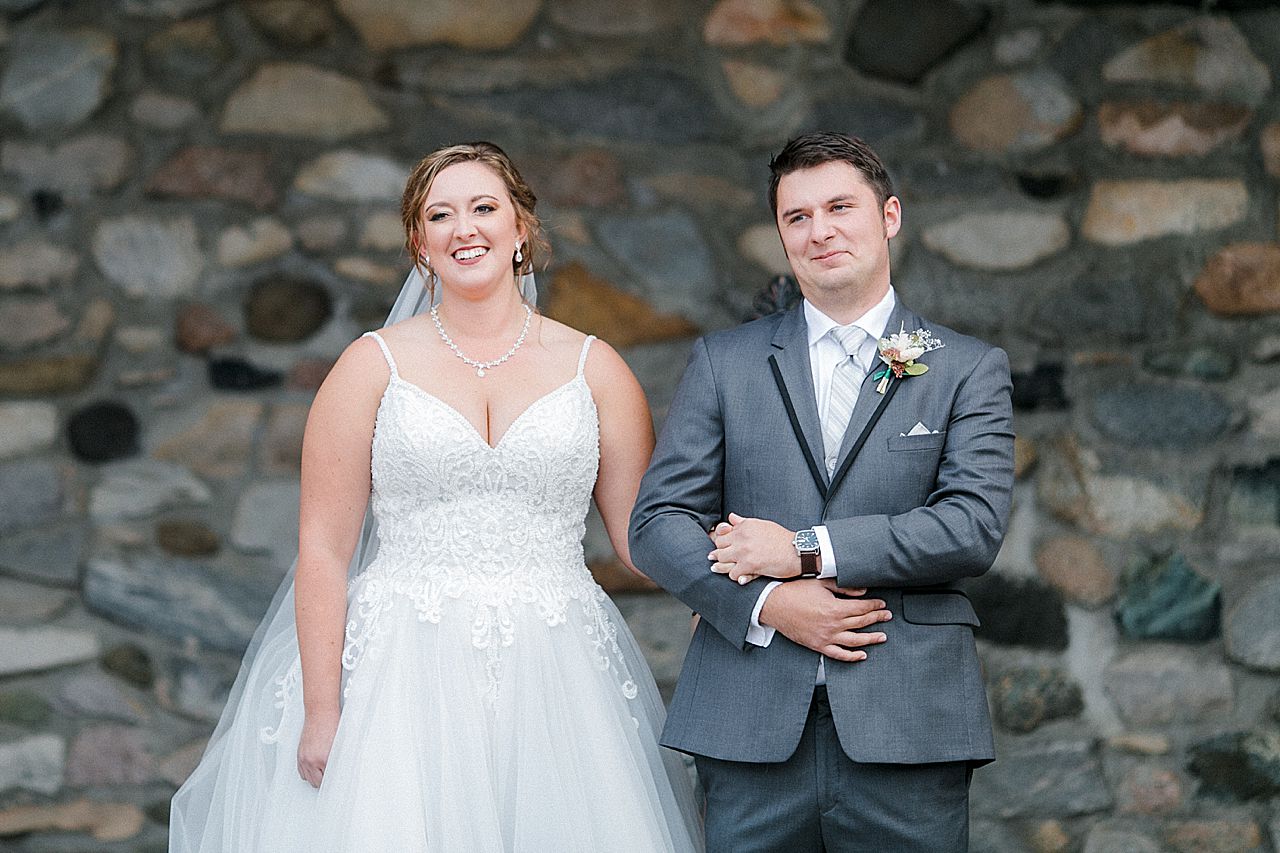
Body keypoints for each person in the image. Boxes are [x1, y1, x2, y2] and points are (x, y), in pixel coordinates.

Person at [171, 141, 702, 852]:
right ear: (420, 243)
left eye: (485, 207)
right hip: (398, 672)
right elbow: (323, 550)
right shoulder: (370, 365)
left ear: (522, 229)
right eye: (440, 215)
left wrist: (724, 588)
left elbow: (644, 541)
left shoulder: (595, 368)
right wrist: (324, 708)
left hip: (557, 669)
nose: (466, 228)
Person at [629, 131, 1015, 852]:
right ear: (780, 234)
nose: (820, 230)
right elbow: (658, 521)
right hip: (748, 717)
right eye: (797, 217)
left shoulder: (965, 368)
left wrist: (803, 551)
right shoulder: (725, 361)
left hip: (907, 720)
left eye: (840, 206)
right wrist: (769, 602)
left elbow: (972, 524)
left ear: (889, 216)